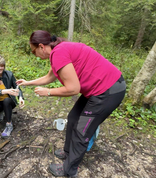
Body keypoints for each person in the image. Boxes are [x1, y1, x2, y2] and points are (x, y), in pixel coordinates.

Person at [16, 30, 126, 177]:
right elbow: (50, 77)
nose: (34, 54)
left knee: (82, 131)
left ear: (41, 46)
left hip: (108, 90)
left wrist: (48, 92)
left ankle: (69, 170)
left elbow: (73, 89)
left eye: (34, 51)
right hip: (97, 88)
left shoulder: (59, 53)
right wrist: (27, 82)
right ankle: (68, 152)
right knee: (73, 117)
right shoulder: (58, 51)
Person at [0, 54, 25, 138]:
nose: (0, 68)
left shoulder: (9, 74)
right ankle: (1, 111)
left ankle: (9, 125)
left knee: (6, 100)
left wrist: (20, 97)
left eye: (2, 66)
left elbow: (17, 87)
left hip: (8, 101)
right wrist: (6, 90)